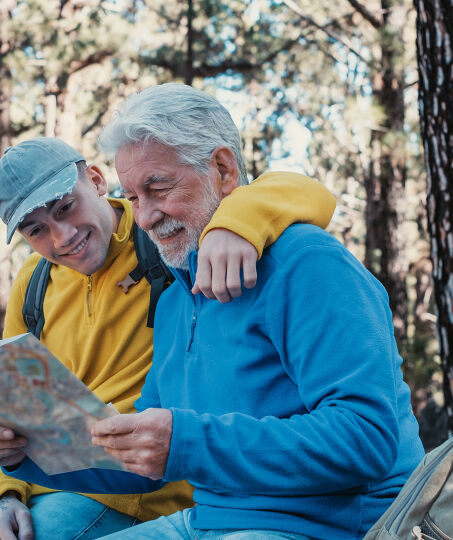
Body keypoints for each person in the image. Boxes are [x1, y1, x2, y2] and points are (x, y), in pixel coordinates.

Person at [2, 84, 425, 539]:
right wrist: (24, 455)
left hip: (329, 524)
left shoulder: (307, 263)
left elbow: (367, 439)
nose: (143, 217)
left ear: (222, 169)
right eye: (135, 197)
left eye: (158, 188)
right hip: (209, 521)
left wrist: (187, 443)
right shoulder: (176, 301)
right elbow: (143, 465)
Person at [0, 136, 335, 540]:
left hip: (161, 482)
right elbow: (14, 395)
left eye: (66, 207)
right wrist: (8, 489)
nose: (62, 237)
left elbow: (311, 194)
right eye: (37, 230)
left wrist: (236, 224)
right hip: (65, 476)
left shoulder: (167, 235)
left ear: (95, 179)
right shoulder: (33, 282)